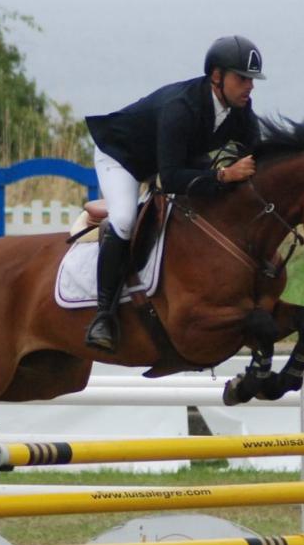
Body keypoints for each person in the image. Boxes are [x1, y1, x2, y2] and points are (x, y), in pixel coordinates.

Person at [82, 35, 266, 352]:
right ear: (217, 76)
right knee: (124, 219)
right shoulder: (180, 107)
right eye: (242, 78)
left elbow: (257, 157)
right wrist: (222, 174)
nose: (249, 87)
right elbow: (170, 179)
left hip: (174, 155)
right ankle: (104, 316)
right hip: (123, 158)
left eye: (252, 80)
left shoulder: (239, 109)